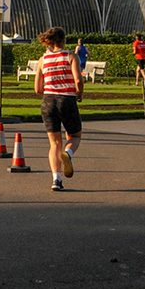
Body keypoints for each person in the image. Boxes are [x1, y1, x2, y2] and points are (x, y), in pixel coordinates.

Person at [34, 27, 84, 192]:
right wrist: (79, 94)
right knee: (75, 135)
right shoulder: (70, 56)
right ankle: (68, 154)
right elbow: (78, 80)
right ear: (63, 40)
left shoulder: (43, 60)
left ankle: (56, 179)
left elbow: (37, 88)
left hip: (48, 101)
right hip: (67, 99)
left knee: (54, 143)